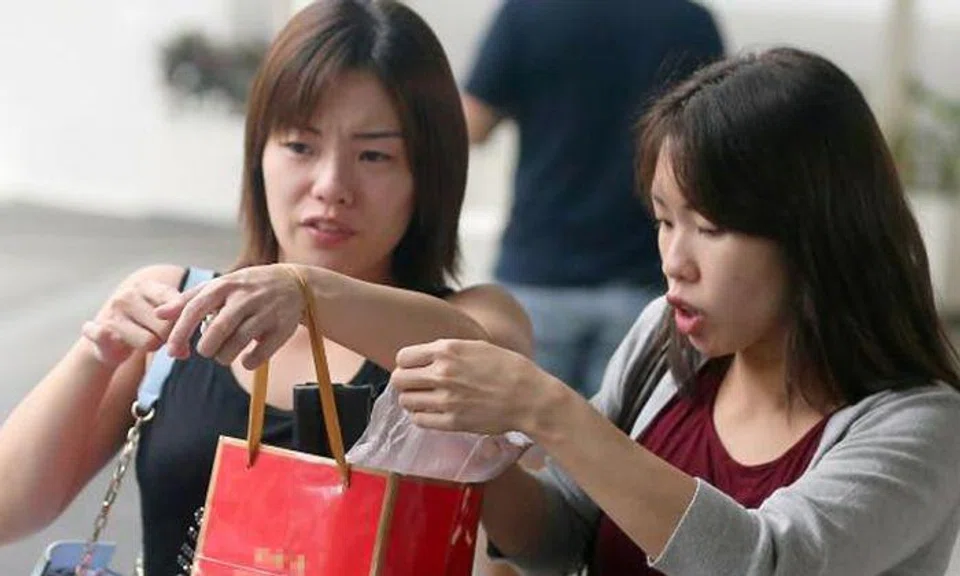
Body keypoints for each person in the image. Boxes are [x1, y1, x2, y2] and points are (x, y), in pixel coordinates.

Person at [0, 1, 531, 574]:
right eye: (300, 147)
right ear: (259, 154)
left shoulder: (477, 317)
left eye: (374, 154)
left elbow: (478, 356)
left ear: (428, 175)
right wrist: (95, 354)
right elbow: (10, 509)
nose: (331, 185)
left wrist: (307, 293)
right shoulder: (173, 302)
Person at [391, 47, 960, 575]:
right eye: (665, 221)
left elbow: (766, 561)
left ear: (817, 234)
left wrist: (545, 408)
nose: (674, 261)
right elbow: (563, 533)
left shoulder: (921, 427)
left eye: (709, 228)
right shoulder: (665, 342)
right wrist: (471, 446)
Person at [462, 0, 724, 397]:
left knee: (520, 429)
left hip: (540, 275)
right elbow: (715, 138)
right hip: (646, 282)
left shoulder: (529, 13)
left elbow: (472, 125)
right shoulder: (690, 21)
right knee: (620, 433)